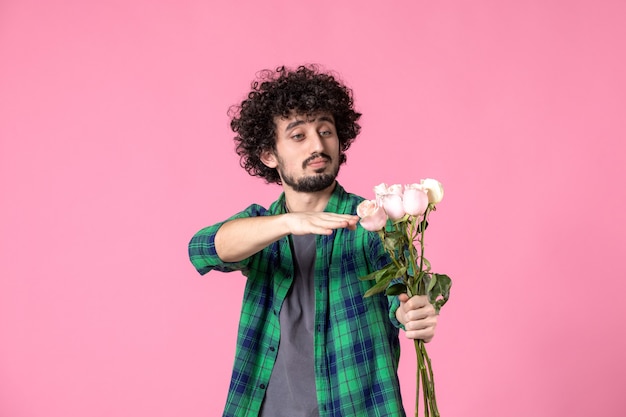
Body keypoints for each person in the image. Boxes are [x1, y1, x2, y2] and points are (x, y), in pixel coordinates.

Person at [188, 65, 438, 417]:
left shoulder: (372, 224)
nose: (318, 145)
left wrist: (416, 313)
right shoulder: (264, 228)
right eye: (298, 135)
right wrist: (289, 222)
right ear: (268, 155)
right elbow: (203, 249)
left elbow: (405, 297)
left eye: (325, 131)